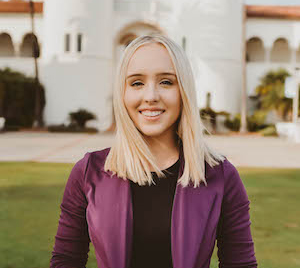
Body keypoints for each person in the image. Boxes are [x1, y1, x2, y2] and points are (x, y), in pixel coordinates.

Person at [50, 34, 258, 268]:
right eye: (137, 83)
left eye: (166, 82)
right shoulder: (89, 172)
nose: (150, 97)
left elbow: (240, 264)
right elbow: (66, 261)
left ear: (184, 92)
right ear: (123, 93)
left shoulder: (220, 176)